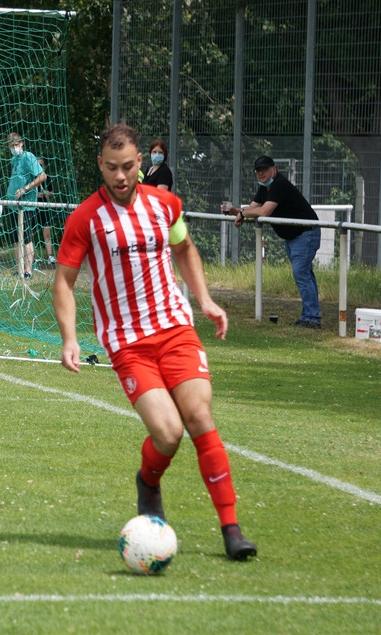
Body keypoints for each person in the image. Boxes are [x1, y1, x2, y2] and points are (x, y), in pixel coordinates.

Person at [53, 123, 258, 562]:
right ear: (100, 165)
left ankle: (231, 529)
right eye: (112, 167)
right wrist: (70, 338)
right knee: (167, 433)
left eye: (128, 166)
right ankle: (148, 481)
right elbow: (64, 282)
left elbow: (184, 249)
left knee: (199, 416)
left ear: (140, 163)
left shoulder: (165, 205)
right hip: (128, 343)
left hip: (175, 329)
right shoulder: (85, 218)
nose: (121, 176)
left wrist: (205, 300)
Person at [226, 155, 321, 328]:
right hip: (294, 237)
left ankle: (312, 318)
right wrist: (235, 211)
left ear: (274, 169)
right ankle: (311, 315)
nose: (261, 173)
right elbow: (253, 208)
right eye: (258, 171)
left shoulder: (279, 184)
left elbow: (264, 212)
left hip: (306, 234)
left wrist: (242, 214)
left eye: (264, 169)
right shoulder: (265, 188)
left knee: (301, 273)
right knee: (304, 274)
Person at [5, 132, 46, 279]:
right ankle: (19, 269)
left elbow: (42, 176)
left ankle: (28, 271)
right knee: (15, 239)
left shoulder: (28, 156)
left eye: (16, 144)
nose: (14, 148)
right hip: (12, 204)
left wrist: (25, 189)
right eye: (11, 146)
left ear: (21, 143)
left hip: (26, 205)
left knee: (26, 237)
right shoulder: (14, 159)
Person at [35, 157, 56, 266]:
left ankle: (50, 256)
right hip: (33, 207)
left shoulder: (47, 178)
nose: (39, 167)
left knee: (47, 232)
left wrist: (46, 193)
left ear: (45, 166)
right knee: (29, 232)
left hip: (44, 206)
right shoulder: (32, 178)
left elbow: (52, 194)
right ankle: (31, 257)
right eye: (37, 165)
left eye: (41, 165)